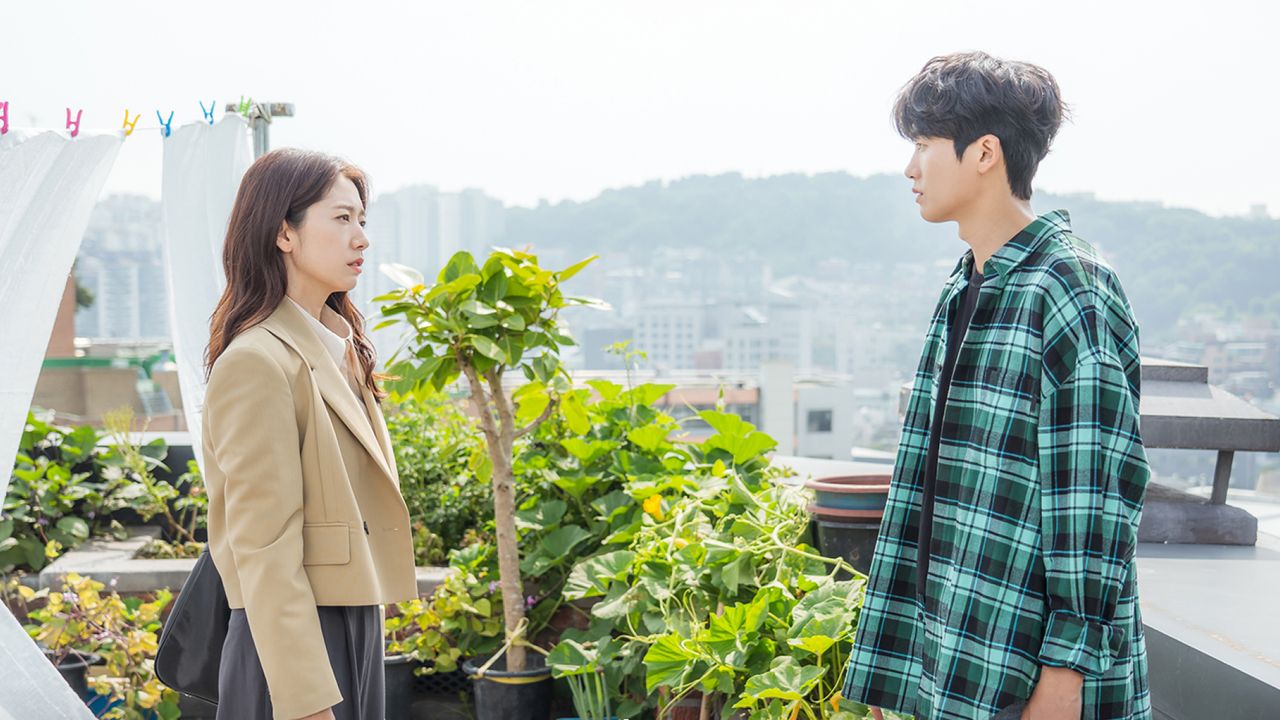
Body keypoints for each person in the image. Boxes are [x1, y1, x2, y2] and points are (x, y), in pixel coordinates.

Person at [841, 52, 1152, 720]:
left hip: (1026, 674)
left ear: (984, 153)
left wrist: (1066, 675)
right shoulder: (966, 283)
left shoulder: (1069, 287)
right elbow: (930, 493)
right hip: (957, 653)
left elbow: (1094, 498)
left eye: (924, 146)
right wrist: (901, 674)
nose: (910, 169)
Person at [202, 148, 417, 720]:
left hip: (349, 626)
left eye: (362, 220)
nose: (362, 238)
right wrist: (307, 704)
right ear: (284, 234)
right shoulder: (256, 362)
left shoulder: (335, 349)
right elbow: (264, 549)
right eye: (341, 218)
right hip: (295, 644)